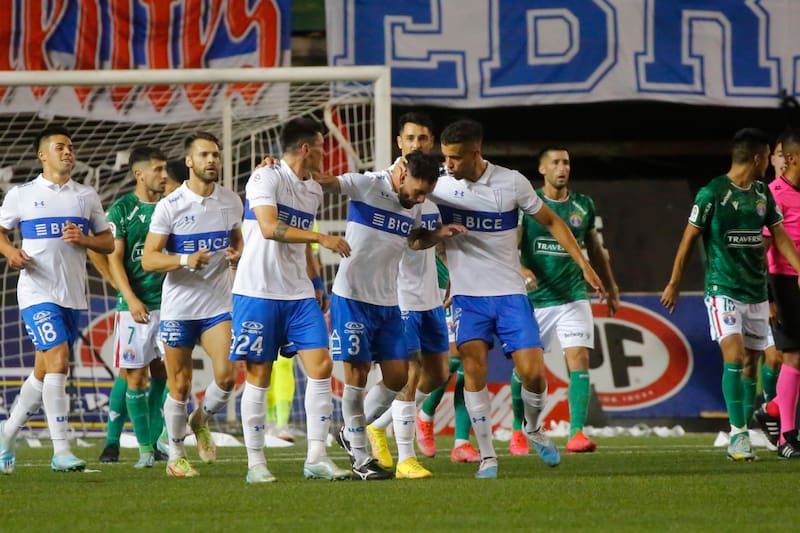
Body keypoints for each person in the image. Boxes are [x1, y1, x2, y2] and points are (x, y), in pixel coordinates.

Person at [426, 119, 605, 479]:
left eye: (455, 158)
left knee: (533, 374)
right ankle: (488, 456)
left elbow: (553, 222)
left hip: (510, 295)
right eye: (444, 157)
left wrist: (583, 264)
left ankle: (533, 427)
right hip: (468, 297)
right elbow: (399, 194)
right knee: (474, 372)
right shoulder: (440, 185)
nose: (448, 165)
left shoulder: (511, 183)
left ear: (476, 153)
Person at [313, 150, 466, 480]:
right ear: (401, 175)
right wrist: (281, 167)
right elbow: (322, 180)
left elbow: (412, 242)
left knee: (397, 378)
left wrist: (437, 235)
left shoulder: (413, 206)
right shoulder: (366, 185)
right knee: (357, 377)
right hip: (351, 297)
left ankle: (350, 433)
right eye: (418, 191)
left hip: (388, 303)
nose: (422, 198)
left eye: (427, 192)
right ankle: (360, 458)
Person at [661, 128, 800, 461]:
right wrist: (674, 281)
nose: (771, 162)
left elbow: (780, 236)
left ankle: (765, 414)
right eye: (768, 156)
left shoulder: (761, 195)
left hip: (756, 291)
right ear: (757, 158)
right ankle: (738, 434)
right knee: (735, 357)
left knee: (762, 359)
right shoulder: (712, 193)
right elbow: (688, 238)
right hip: (723, 289)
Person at [229, 117, 351, 483]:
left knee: (322, 367)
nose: (324, 153)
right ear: (305, 148)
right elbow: (268, 229)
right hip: (257, 292)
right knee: (259, 375)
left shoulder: (312, 189)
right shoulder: (266, 177)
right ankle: (256, 463)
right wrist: (322, 237)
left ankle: (316, 456)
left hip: (299, 294)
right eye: (321, 146)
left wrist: (316, 280)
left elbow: (304, 244)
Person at [0, 126, 114, 473]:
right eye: (60, 147)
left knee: (43, 369)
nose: (68, 152)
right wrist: (8, 252)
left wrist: (85, 239)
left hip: (72, 295)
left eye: (71, 147)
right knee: (61, 359)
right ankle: (61, 450)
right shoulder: (23, 194)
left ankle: (5, 436)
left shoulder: (85, 196)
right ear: (42, 155)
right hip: (37, 291)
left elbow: (107, 242)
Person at [142, 131, 243, 477]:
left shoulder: (231, 201)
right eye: (203, 155)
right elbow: (149, 259)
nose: (211, 160)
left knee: (227, 377)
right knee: (180, 386)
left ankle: (201, 419)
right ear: (189, 161)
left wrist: (237, 252)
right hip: (180, 308)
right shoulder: (170, 206)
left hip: (217, 303)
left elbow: (236, 238)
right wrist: (185, 260)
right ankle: (175, 456)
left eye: (215, 154)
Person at [364, 112, 455, 478]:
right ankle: (405, 459)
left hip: (429, 295)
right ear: (399, 142)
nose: (417, 144)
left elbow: (435, 243)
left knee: (437, 375)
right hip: (396, 294)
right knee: (409, 373)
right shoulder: (384, 186)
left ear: (431, 143)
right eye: (410, 138)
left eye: (423, 138)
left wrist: (452, 279)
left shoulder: (433, 192)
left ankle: (377, 424)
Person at [512, 146, 620, 454]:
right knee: (526, 370)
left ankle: (576, 433)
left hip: (573, 295)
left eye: (567, 162)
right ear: (542, 169)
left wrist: (610, 286)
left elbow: (595, 249)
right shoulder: (528, 204)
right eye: (556, 163)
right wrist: (520, 267)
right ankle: (520, 431)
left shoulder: (583, 205)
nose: (563, 167)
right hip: (536, 298)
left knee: (580, 360)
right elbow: (510, 245)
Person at [91, 153, 183, 464]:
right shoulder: (121, 210)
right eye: (157, 169)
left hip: (170, 305)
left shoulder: (171, 205)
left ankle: (155, 442)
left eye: (164, 169)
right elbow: (110, 256)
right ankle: (128, 445)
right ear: (139, 174)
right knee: (132, 375)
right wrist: (127, 295)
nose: (163, 175)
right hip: (136, 306)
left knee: (165, 374)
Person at [757, 130, 800, 458]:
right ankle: (786, 436)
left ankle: (773, 408)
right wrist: (768, 297)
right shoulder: (773, 194)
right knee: (792, 357)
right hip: (783, 282)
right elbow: (764, 249)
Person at [415, 253, 481, 463]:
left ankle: (461, 442)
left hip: (472, 282)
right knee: (453, 357)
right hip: (439, 285)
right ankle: (425, 414)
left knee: (470, 363)